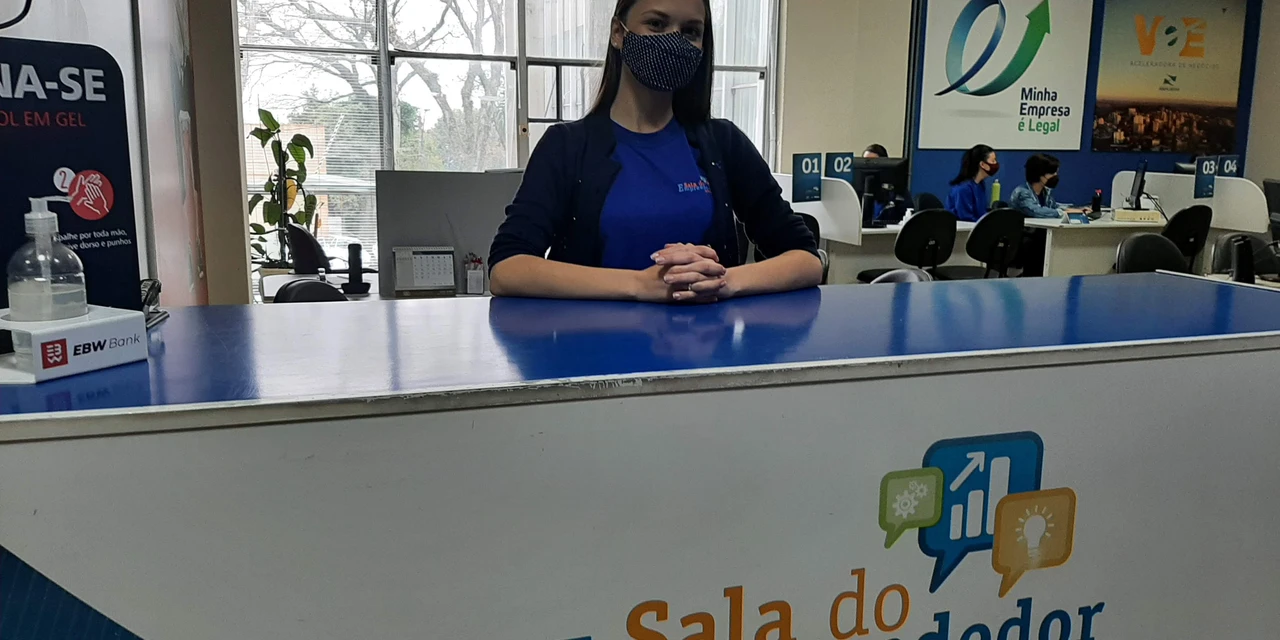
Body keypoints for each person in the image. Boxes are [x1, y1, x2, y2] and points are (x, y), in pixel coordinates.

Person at [488, 0, 822, 303]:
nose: (674, 41)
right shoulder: (566, 146)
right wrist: (640, 285)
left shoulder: (724, 143)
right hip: (592, 346)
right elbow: (507, 268)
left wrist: (721, 281)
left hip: (704, 346)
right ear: (618, 33)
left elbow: (806, 259)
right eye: (657, 24)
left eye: (690, 31)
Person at [945, 144, 997, 222]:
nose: (996, 163)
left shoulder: (980, 185)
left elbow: (981, 214)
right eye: (993, 161)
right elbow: (966, 218)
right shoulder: (963, 189)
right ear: (982, 164)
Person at [1010, 154, 1064, 219]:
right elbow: (1036, 211)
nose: (1055, 175)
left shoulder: (1045, 192)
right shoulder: (1022, 193)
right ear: (1039, 174)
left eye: (1056, 172)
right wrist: (1060, 213)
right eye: (1052, 173)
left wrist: (1068, 210)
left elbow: (1053, 206)